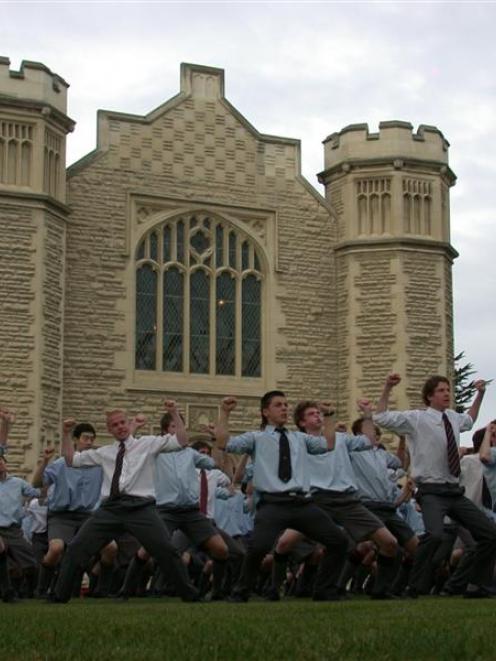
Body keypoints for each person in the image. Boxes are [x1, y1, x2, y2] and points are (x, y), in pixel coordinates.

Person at [51, 402, 200, 603]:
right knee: (77, 547)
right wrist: (67, 433)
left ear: (129, 424)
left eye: (123, 422)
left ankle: (189, 594)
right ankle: (59, 596)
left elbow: (181, 441)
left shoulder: (148, 444)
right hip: (110, 509)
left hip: (141, 508)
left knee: (166, 549)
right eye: (115, 424)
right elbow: (71, 460)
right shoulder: (105, 452)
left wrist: (174, 413)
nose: (120, 426)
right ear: (109, 429)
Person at [215, 391, 349, 602]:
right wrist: (224, 412)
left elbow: (328, 445)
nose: (285, 408)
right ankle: (241, 592)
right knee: (258, 547)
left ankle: (324, 590)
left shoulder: (300, 438)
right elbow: (223, 443)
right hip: (273, 505)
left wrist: (329, 415)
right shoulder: (256, 438)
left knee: (339, 542)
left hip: (302, 504)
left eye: (286, 404)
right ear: (265, 412)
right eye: (278, 405)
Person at [374, 373, 496, 598]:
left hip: (454, 491)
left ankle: (479, 586)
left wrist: (480, 394)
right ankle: (413, 587)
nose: (447, 394)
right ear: (429, 397)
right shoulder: (417, 419)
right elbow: (380, 417)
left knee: (489, 534)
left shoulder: (453, 417)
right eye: (441, 390)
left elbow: (470, 418)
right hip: (431, 490)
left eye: (448, 390)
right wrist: (387, 387)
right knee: (435, 535)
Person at [271, 399, 402, 600]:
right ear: (302, 422)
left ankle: (380, 591)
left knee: (389, 543)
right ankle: (274, 590)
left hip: (347, 501)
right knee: (284, 543)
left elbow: (368, 441)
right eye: (311, 414)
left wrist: (367, 415)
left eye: (319, 413)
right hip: (314, 501)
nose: (317, 416)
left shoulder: (341, 439)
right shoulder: (296, 441)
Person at [32, 424, 109, 597]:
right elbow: (36, 484)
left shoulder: (99, 466)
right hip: (61, 516)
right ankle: (41, 589)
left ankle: (100, 590)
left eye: (91, 439)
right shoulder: (60, 464)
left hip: (88, 516)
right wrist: (44, 462)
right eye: (85, 438)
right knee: (56, 548)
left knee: (110, 548)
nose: (89, 442)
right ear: (75, 440)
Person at [0, 454, 40, 602]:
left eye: (1, 460)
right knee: (7, 566)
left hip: (14, 530)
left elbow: (36, 492)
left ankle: (29, 591)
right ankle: (8, 593)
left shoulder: (17, 482)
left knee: (31, 563)